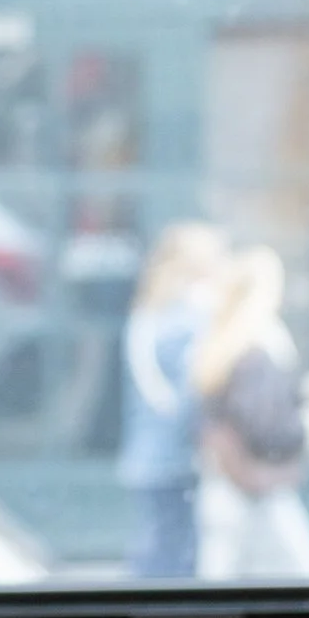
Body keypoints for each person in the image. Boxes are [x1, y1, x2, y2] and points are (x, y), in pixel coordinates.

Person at [193, 242, 309, 583]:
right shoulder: (258, 347)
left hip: (226, 488)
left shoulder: (225, 344)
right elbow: (269, 428)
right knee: (307, 579)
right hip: (255, 490)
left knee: (221, 585)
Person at [117, 218, 225, 582]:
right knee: (174, 560)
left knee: (157, 548)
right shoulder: (186, 318)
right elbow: (189, 396)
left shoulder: (149, 314)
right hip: (175, 459)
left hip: (149, 456)